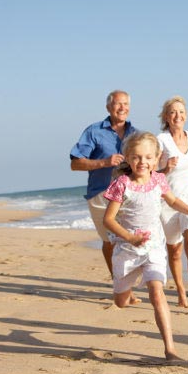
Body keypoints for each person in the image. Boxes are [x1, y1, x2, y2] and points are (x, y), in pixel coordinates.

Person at [103, 131, 188, 361]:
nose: (143, 162)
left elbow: (172, 201)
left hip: (153, 248)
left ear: (157, 158)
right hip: (127, 250)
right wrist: (130, 238)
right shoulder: (122, 184)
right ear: (128, 158)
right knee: (120, 303)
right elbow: (108, 220)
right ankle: (125, 292)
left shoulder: (159, 180)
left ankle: (170, 349)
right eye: (137, 157)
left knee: (157, 293)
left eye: (148, 157)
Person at [70, 90, 137, 277]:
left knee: (131, 240)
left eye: (125, 104)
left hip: (130, 194)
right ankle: (118, 281)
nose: (122, 108)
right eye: (118, 104)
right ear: (109, 107)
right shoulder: (93, 131)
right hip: (101, 195)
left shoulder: (136, 134)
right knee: (110, 242)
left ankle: (127, 282)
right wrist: (104, 162)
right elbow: (75, 164)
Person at [157, 96, 188, 312]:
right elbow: (151, 174)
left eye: (181, 112)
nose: (177, 115)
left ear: (186, 116)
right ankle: (180, 290)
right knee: (175, 251)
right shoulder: (161, 140)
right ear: (166, 117)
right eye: (172, 112)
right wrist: (166, 168)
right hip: (168, 201)